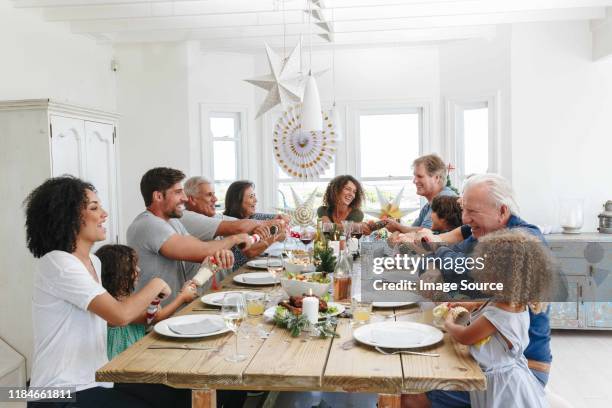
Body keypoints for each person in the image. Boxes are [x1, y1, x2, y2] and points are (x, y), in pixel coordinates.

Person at [24, 176, 187, 408]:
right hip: (59, 392)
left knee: (181, 395)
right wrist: (156, 284)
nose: (104, 214)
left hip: (97, 380)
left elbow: (109, 321)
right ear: (68, 218)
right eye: (94, 208)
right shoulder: (58, 262)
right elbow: (119, 315)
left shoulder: (92, 261)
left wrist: (148, 304)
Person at [401, 173, 553, 408]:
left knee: (411, 394)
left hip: (519, 373)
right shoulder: (483, 229)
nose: (465, 218)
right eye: (464, 209)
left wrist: (435, 249)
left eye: (472, 211)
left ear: (502, 211)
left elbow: (461, 269)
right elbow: (454, 255)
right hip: (490, 361)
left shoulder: (521, 242)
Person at [443, 230, 552, 407]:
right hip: (508, 376)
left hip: (502, 387)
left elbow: (464, 336)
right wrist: (470, 305)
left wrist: (448, 323)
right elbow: (487, 305)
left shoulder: (499, 315)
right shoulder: (511, 303)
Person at [127, 168, 252, 304]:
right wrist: (235, 238)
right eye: (178, 192)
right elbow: (202, 251)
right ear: (158, 196)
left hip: (177, 311)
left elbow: (202, 248)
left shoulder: (172, 221)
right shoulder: (149, 224)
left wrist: (218, 254)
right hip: (158, 318)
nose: (185, 198)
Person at [96, 244, 198, 360]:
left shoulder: (129, 299)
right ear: (116, 275)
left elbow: (154, 311)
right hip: (122, 362)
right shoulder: (116, 307)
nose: (138, 270)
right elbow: (155, 317)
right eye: (132, 267)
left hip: (135, 355)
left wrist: (156, 299)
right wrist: (182, 297)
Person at [221, 180, 286, 269]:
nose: (256, 200)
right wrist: (273, 236)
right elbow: (250, 252)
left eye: (254, 196)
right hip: (237, 274)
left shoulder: (254, 216)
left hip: (255, 269)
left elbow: (283, 220)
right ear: (237, 201)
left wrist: (277, 228)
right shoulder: (229, 223)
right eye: (251, 197)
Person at [386, 154, 457, 233]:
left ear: (436, 178)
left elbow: (426, 233)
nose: (414, 181)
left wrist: (398, 227)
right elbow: (413, 230)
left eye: (419, 176)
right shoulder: (427, 206)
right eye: (415, 176)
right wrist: (398, 229)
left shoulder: (447, 199)